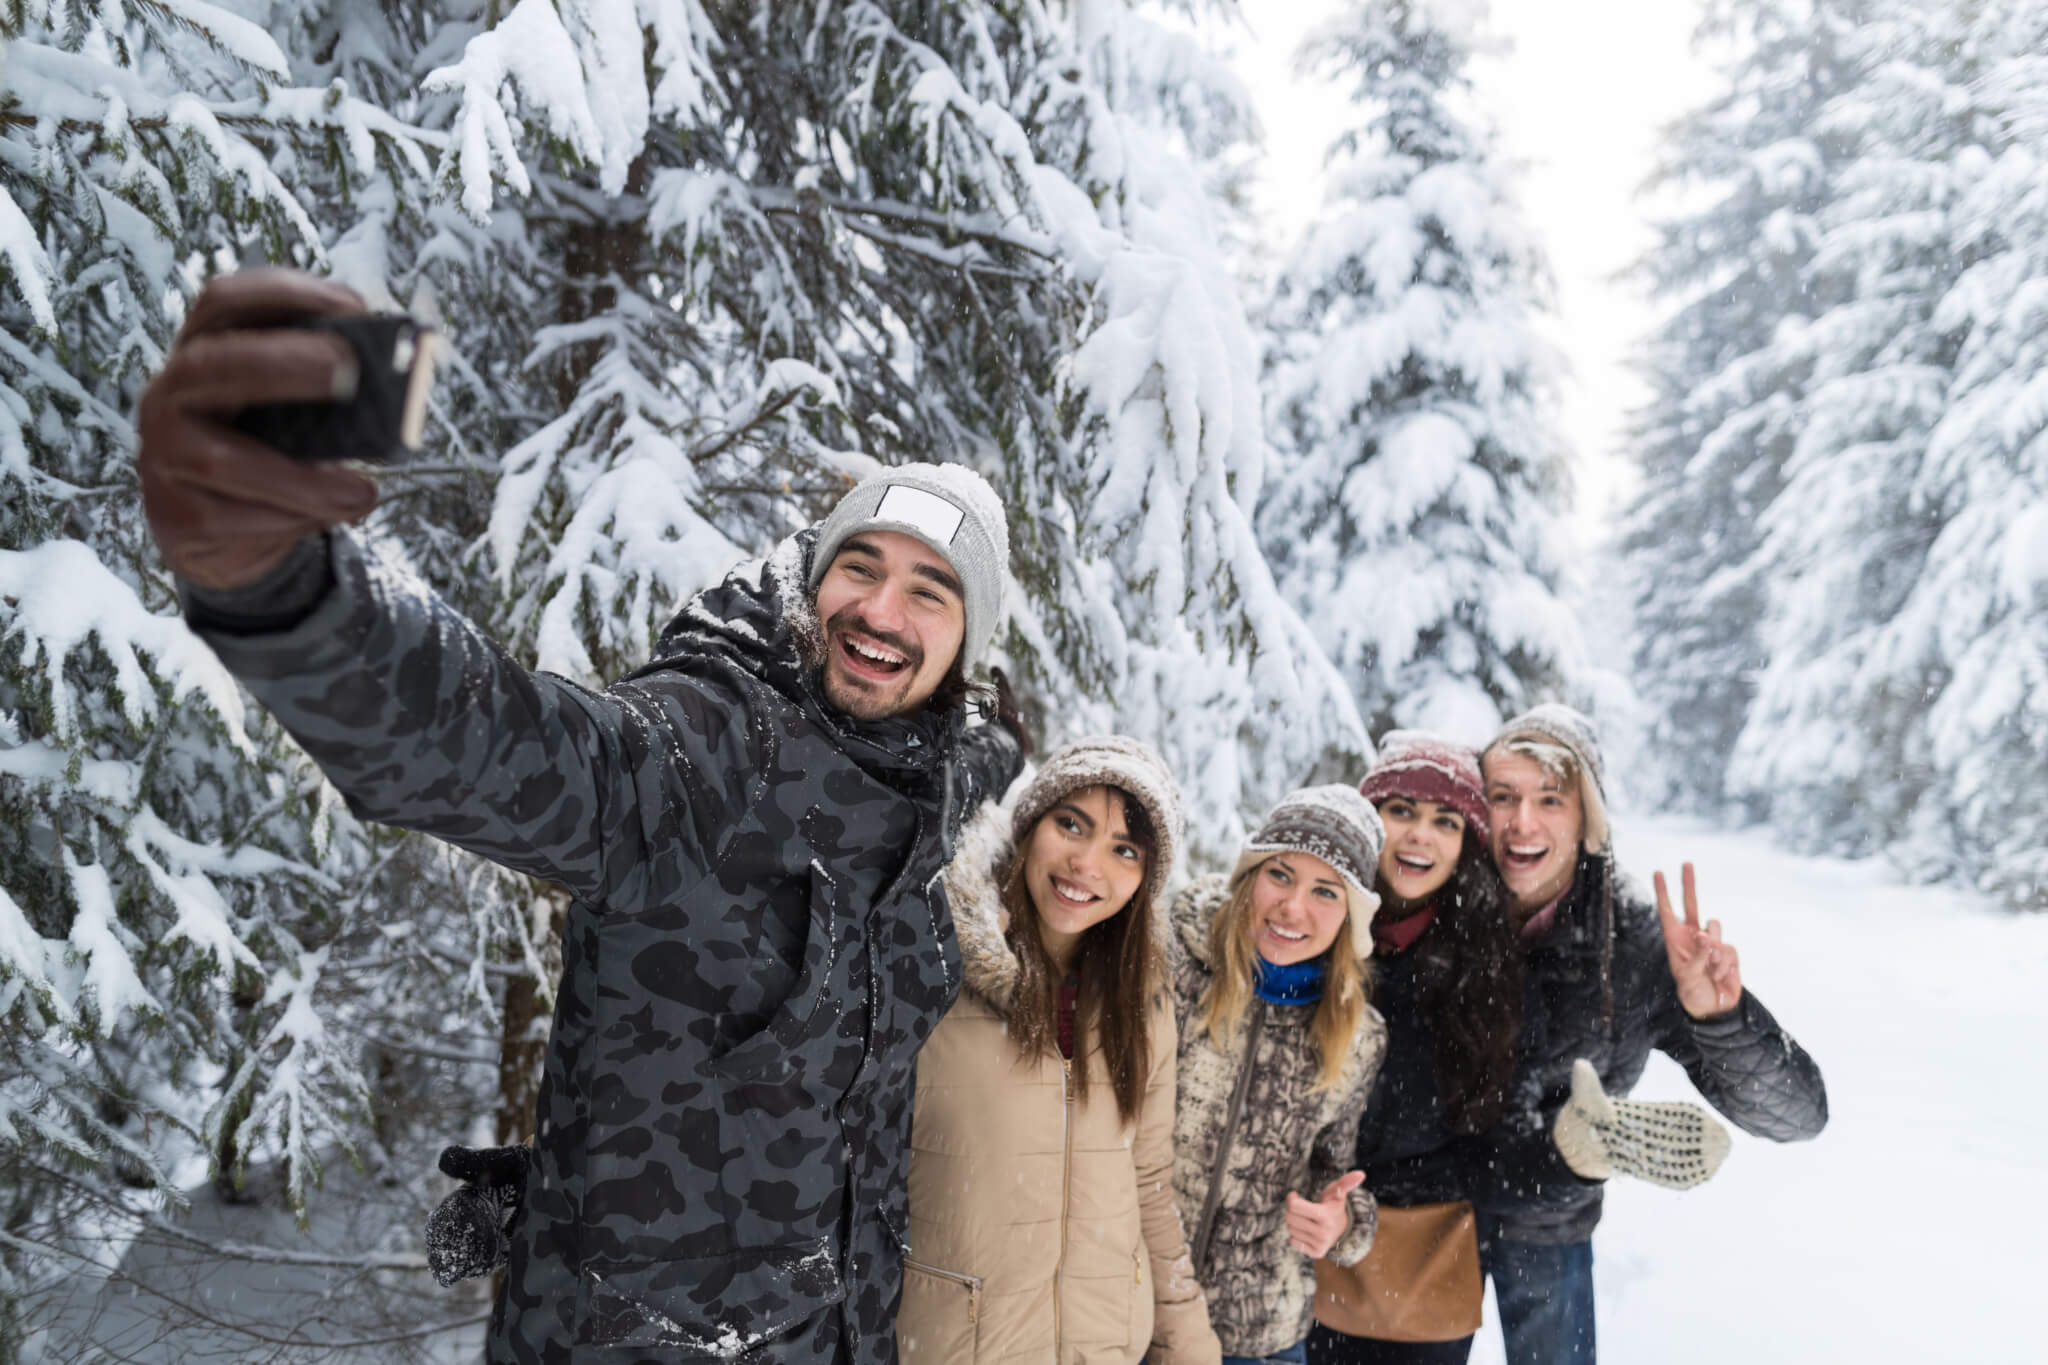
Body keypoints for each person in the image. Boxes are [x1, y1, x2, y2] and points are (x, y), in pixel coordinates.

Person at [134, 268, 1028, 1365]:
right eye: (860, 566)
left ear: (962, 648)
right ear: (810, 583)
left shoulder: (923, 799)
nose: (880, 610)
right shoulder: (703, 752)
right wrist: (283, 591)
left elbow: (976, 760)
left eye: (930, 592)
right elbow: (490, 744)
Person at [1466, 704, 1829, 1365]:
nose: (1522, 821)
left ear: (1586, 821)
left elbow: (1798, 1116)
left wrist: (1722, 1017)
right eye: (1503, 797)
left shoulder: (1631, 944)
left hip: (1551, 1223)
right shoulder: (1438, 908)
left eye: (1551, 799)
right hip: (1429, 1217)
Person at [897, 738, 1221, 1365]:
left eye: (1123, 850)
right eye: (1070, 824)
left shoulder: (1144, 1004)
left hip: (1102, 1346)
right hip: (954, 1346)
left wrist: (1185, 1343)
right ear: (1029, 826)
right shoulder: (934, 966)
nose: (1086, 864)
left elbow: (1149, 1183)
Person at [1306, 733, 1520, 1365]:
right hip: (1307, 1240)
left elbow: (1486, 1121)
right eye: (1401, 811)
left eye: (1444, 821)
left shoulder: (1486, 960)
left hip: (1425, 1250)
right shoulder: (1314, 927)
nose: (1420, 836)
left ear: (1466, 845)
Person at [1167, 787, 1389, 1365]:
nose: (1293, 907)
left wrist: (1339, 1223)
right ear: (1249, 877)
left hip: (1257, 1333)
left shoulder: (1358, 1036)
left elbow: (1333, 1171)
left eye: (1325, 891)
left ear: (1350, 916)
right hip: (1128, 1306)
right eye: (1281, 876)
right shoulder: (1170, 965)